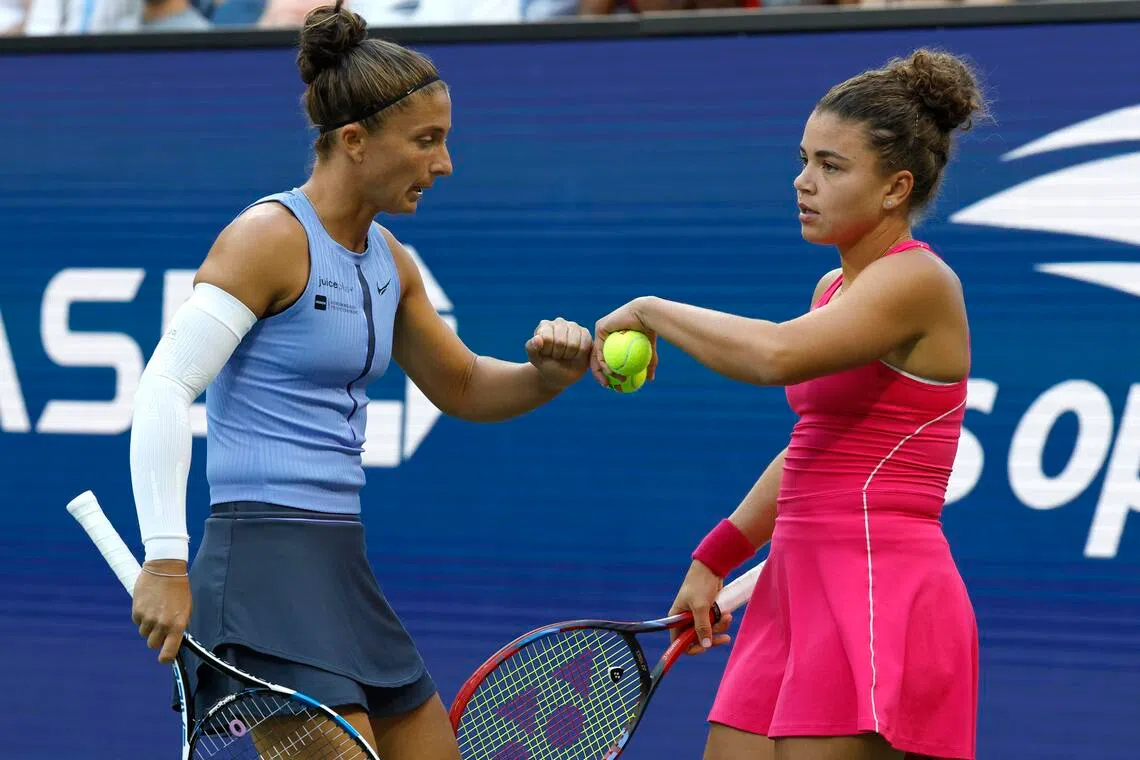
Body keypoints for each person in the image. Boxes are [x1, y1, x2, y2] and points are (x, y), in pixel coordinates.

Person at [126, 4, 593, 758]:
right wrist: (166, 558)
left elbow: (466, 385)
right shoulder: (267, 238)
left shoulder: (391, 262)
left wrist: (549, 377)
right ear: (353, 142)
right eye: (426, 141)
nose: (444, 165)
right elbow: (164, 388)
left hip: (341, 566)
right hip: (259, 572)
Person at [592, 48, 984, 760]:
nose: (804, 183)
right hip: (793, 587)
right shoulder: (834, 290)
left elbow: (774, 355)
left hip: (878, 588)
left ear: (896, 188)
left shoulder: (919, 282)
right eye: (804, 160)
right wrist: (718, 554)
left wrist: (649, 309)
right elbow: (820, 440)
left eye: (832, 167)